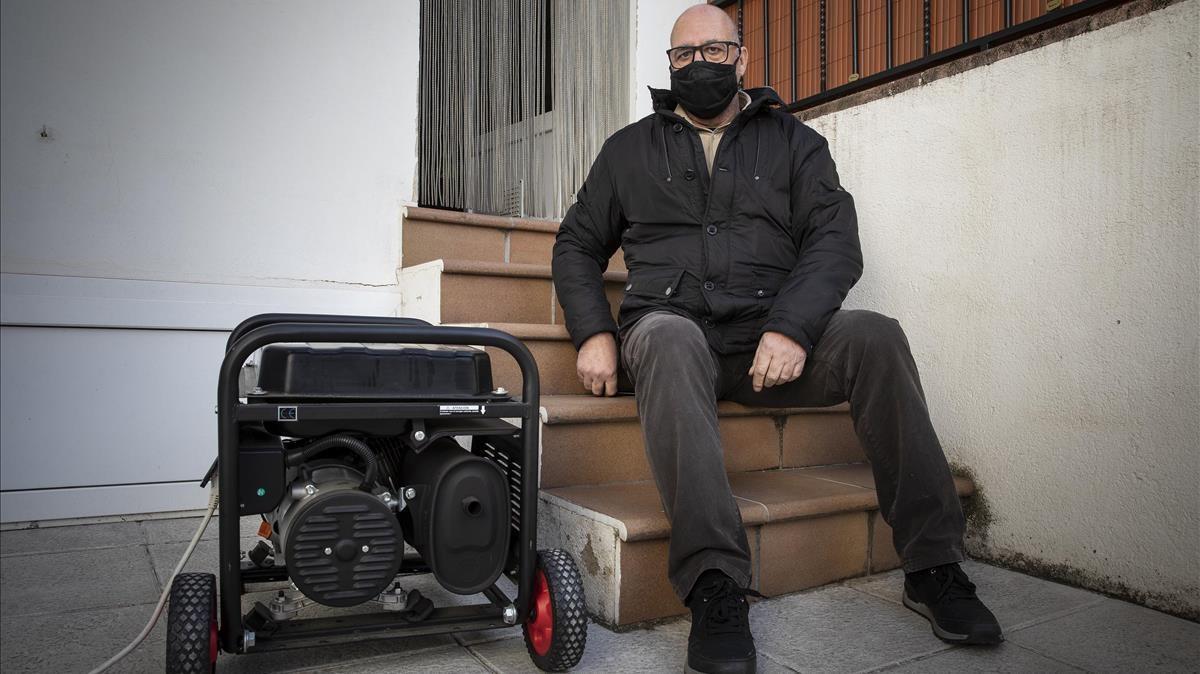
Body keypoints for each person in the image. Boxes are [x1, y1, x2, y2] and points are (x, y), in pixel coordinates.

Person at [551, 5, 1003, 673]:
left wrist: (793, 327)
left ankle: (933, 567)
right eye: (683, 55)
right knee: (670, 340)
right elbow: (576, 245)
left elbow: (834, 240)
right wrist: (592, 332)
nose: (698, 63)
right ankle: (715, 587)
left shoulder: (795, 144)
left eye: (713, 49)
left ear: (741, 58)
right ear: (670, 66)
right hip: (674, 338)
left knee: (876, 335)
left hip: (770, 348)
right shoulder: (628, 149)